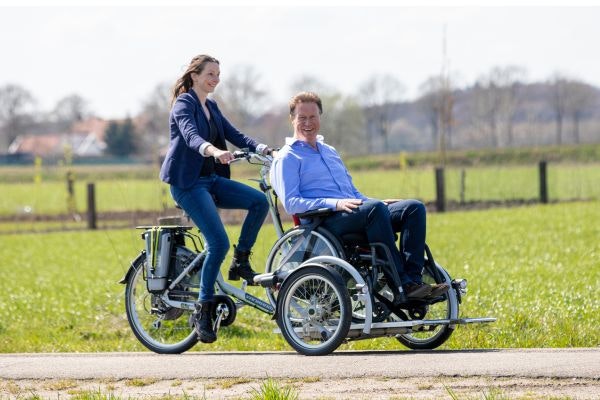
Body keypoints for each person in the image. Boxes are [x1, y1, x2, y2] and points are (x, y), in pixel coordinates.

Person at [270, 91, 448, 304]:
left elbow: (352, 193)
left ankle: (414, 280)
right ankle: (402, 284)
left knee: (413, 208)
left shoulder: (330, 151)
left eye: (313, 117)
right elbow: (291, 203)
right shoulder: (287, 157)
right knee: (374, 210)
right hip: (324, 222)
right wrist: (335, 203)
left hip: (353, 211)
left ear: (320, 117)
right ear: (293, 119)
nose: (308, 123)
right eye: (302, 118)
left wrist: (375, 201)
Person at [160, 55, 272, 343]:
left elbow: (232, 132)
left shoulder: (211, 105)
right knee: (217, 242)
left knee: (260, 202)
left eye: (218, 74)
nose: (216, 79)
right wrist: (213, 151)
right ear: (195, 76)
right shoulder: (183, 104)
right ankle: (203, 309)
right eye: (210, 73)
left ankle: (241, 261)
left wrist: (260, 147)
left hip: (211, 180)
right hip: (188, 183)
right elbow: (191, 136)